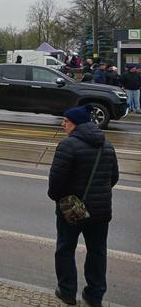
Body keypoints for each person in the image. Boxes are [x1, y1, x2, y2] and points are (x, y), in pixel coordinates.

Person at [48, 105, 119, 307]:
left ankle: (67, 292)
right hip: (101, 210)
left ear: (76, 124)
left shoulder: (67, 146)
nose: (63, 124)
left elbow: (56, 184)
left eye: (66, 121)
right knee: (97, 252)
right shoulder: (107, 145)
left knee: (65, 249)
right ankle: (94, 296)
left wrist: (60, 199)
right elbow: (113, 177)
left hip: (73, 209)